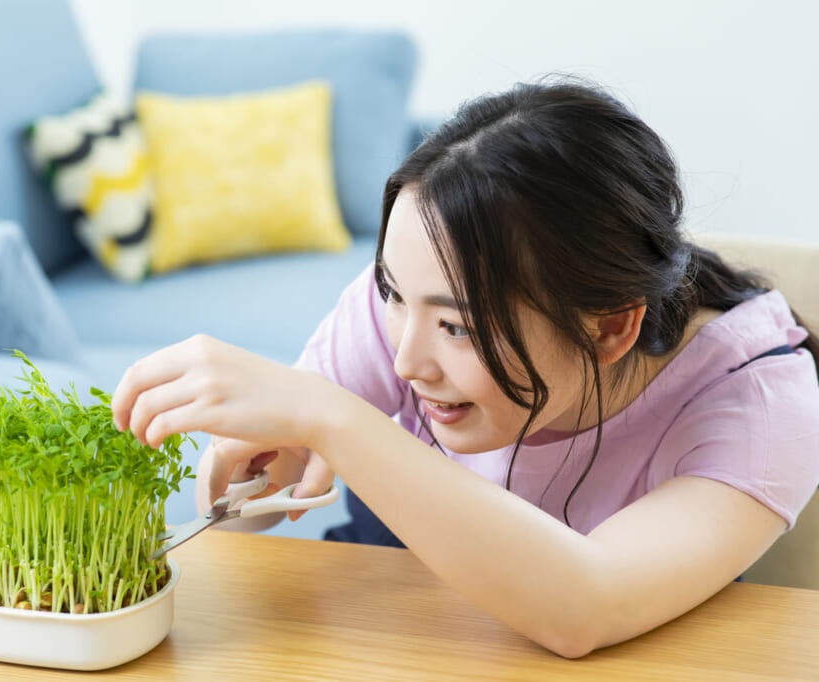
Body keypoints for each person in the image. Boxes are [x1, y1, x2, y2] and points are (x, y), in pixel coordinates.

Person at [110, 78, 819, 658]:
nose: (408, 359)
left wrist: (327, 416)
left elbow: (585, 609)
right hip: (391, 635)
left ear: (610, 326)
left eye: (457, 326)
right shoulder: (418, 298)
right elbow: (252, 509)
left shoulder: (759, 400)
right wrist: (252, 477)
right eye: (391, 292)